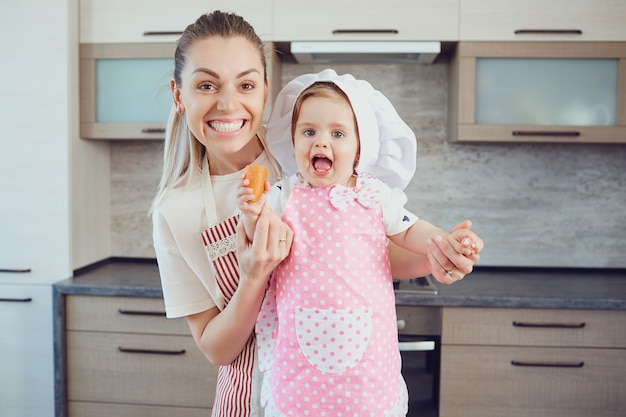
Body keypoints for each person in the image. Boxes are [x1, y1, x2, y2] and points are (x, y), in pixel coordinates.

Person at [151, 10, 483, 417]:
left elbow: (368, 255)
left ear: (264, 90)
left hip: (345, 390)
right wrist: (255, 273)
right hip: (253, 398)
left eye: (246, 85)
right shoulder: (175, 211)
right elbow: (216, 348)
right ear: (179, 95)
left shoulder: (302, 161)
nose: (228, 103)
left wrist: (440, 256)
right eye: (206, 84)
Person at [237, 70, 479, 416]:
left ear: (359, 147)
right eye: (309, 131)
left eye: (338, 133)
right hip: (299, 364)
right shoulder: (284, 193)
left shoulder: (375, 195)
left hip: (367, 368)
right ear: (293, 143)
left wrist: (447, 241)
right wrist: (250, 210)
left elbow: (411, 230)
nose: (322, 142)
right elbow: (258, 234)